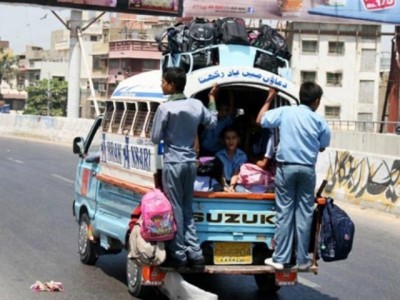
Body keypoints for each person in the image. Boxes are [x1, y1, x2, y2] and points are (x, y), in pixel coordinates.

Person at [256, 82, 331, 270]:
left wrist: (269, 98)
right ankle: (302, 259)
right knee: (304, 214)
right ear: (316, 101)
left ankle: (280, 258)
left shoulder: (285, 111)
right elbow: (322, 146)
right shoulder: (319, 121)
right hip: (307, 170)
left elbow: (260, 120)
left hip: (286, 168)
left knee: (284, 212)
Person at [151, 67, 217, 268]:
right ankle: (195, 254)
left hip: (174, 163)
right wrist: (212, 100)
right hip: (191, 163)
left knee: (176, 209)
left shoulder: (165, 109)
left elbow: (155, 138)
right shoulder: (197, 104)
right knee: (187, 208)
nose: (161, 85)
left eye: (163, 82)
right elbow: (212, 122)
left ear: (172, 85)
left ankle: (179, 254)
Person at [200, 84, 234, 156]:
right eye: (220, 109)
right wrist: (214, 94)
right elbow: (212, 104)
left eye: (225, 110)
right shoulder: (211, 117)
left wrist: (230, 90)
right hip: (205, 147)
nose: (222, 112)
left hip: (217, 150)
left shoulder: (226, 121)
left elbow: (231, 105)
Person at [215, 125, 248, 192]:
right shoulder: (219, 155)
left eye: (234, 138)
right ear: (223, 140)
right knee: (216, 189)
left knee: (241, 191)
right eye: (227, 138)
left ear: (238, 139)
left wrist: (231, 186)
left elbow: (236, 172)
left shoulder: (242, 156)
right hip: (222, 182)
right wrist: (224, 186)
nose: (231, 141)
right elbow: (221, 174)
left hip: (237, 183)